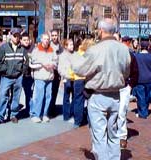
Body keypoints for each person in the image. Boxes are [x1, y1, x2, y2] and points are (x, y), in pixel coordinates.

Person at [70, 18, 130, 159]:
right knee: (113, 133)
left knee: (99, 136)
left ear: (101, 31)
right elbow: (127, 71)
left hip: (98, 95)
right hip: (116, 95)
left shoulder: (95, 49)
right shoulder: (124, 49)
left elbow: (80, 69)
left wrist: (74, 58)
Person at [0, 27, 28, 125]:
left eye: (18, 36)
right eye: (14, 36)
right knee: (3, 96)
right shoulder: (4, 48)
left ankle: (13, 115)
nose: (16, 38)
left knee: (16, 97)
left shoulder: (22, 49)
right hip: (6, 77)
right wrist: (5, 69)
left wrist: (22, 71)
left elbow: (26, 62)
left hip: (18, 77)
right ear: (10, 36)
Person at [29, 33, 58, 123]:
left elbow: (56, 62)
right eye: (44, 39)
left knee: (48, 97)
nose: (46, 40)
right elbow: (32, 63)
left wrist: (53, 65)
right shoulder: (36, 50)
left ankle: (45, 114)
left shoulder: (52, 50)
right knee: (39, 96)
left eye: (47, 39)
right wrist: (42, 64)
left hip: (49, 77)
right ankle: (36, 115)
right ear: (41, 40)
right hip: (40, 77)